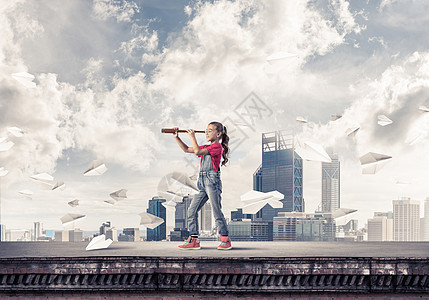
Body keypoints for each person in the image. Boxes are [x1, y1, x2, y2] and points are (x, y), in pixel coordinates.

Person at [172, 121, 232, 250]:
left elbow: (197, 152)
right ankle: (194, 239)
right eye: (206, 130)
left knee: (216, 211)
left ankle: (225, 239)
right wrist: (177, 137)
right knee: (191, 211)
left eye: (210, 130)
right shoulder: (207, 146)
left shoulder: (217, 147)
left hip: (212, 181)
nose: (206, 132)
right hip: (202, 182)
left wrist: (192, 136)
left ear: (218, 134)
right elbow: (187, 149)